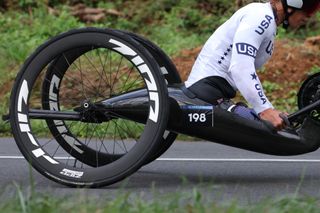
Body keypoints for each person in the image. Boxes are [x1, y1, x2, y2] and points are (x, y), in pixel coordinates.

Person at [184, 0, 320, 130]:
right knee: (269, 130)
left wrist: (269, 110)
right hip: (207, 91)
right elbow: (241, 67)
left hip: (216, 90)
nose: (309, 16)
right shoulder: (260, 17)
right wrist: (265, 110)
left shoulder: (267, 20)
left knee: (278, 125)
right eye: (309, 9)